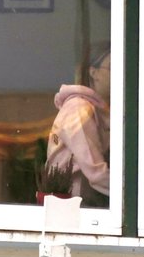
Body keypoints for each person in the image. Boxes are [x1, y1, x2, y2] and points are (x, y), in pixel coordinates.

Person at [44, 42, 111, 207]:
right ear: (93, 73)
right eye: (113, 68)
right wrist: (134, 196)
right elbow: (95, 172)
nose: (121, 75)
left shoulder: (95, 109)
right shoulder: (79, 109)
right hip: (76, 207)